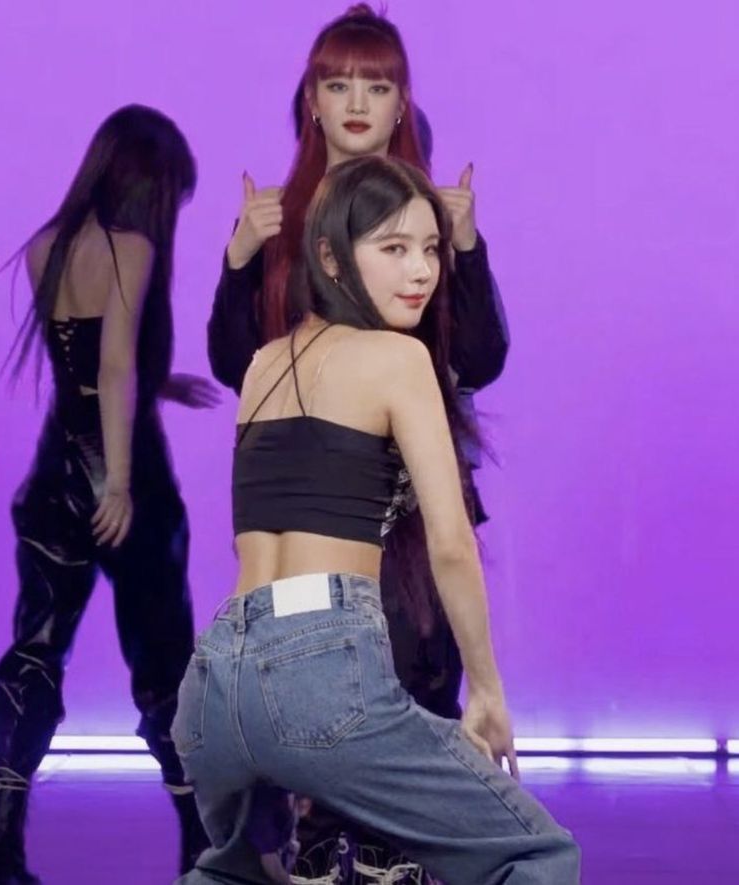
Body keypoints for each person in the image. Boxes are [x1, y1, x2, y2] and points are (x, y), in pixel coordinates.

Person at [172, 155, 580, 885]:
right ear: (329, 257)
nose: (420, 271)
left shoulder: (264, 362)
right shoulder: (398, 358)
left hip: (213, 684)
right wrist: (486, 690)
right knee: (536, 855)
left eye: (429, 249)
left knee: (232, 875)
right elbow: (450, 544)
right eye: (393, 248)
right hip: (318, 669)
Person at [205, 6, 509, 879]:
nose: (355, 103)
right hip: (324, 501)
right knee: (322, 707)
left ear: (402, 101)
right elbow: (239, 364)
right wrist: (237, 259)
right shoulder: (278, 220)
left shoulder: (425, 220)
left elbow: (480, 358)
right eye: (336, 84)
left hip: (413, 491)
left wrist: (465, 247)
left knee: (416, 695)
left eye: (375, 87)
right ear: (310, 100)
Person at [0, 104, 217, 883]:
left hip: (54, 471)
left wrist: (163, 383)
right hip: (127, 476)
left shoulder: (46, 245)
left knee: (34, 655)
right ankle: (202, 845)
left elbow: (84, 368)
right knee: (164, 661)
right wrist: (117, 481)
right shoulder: (133, 246)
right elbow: (113, 364)